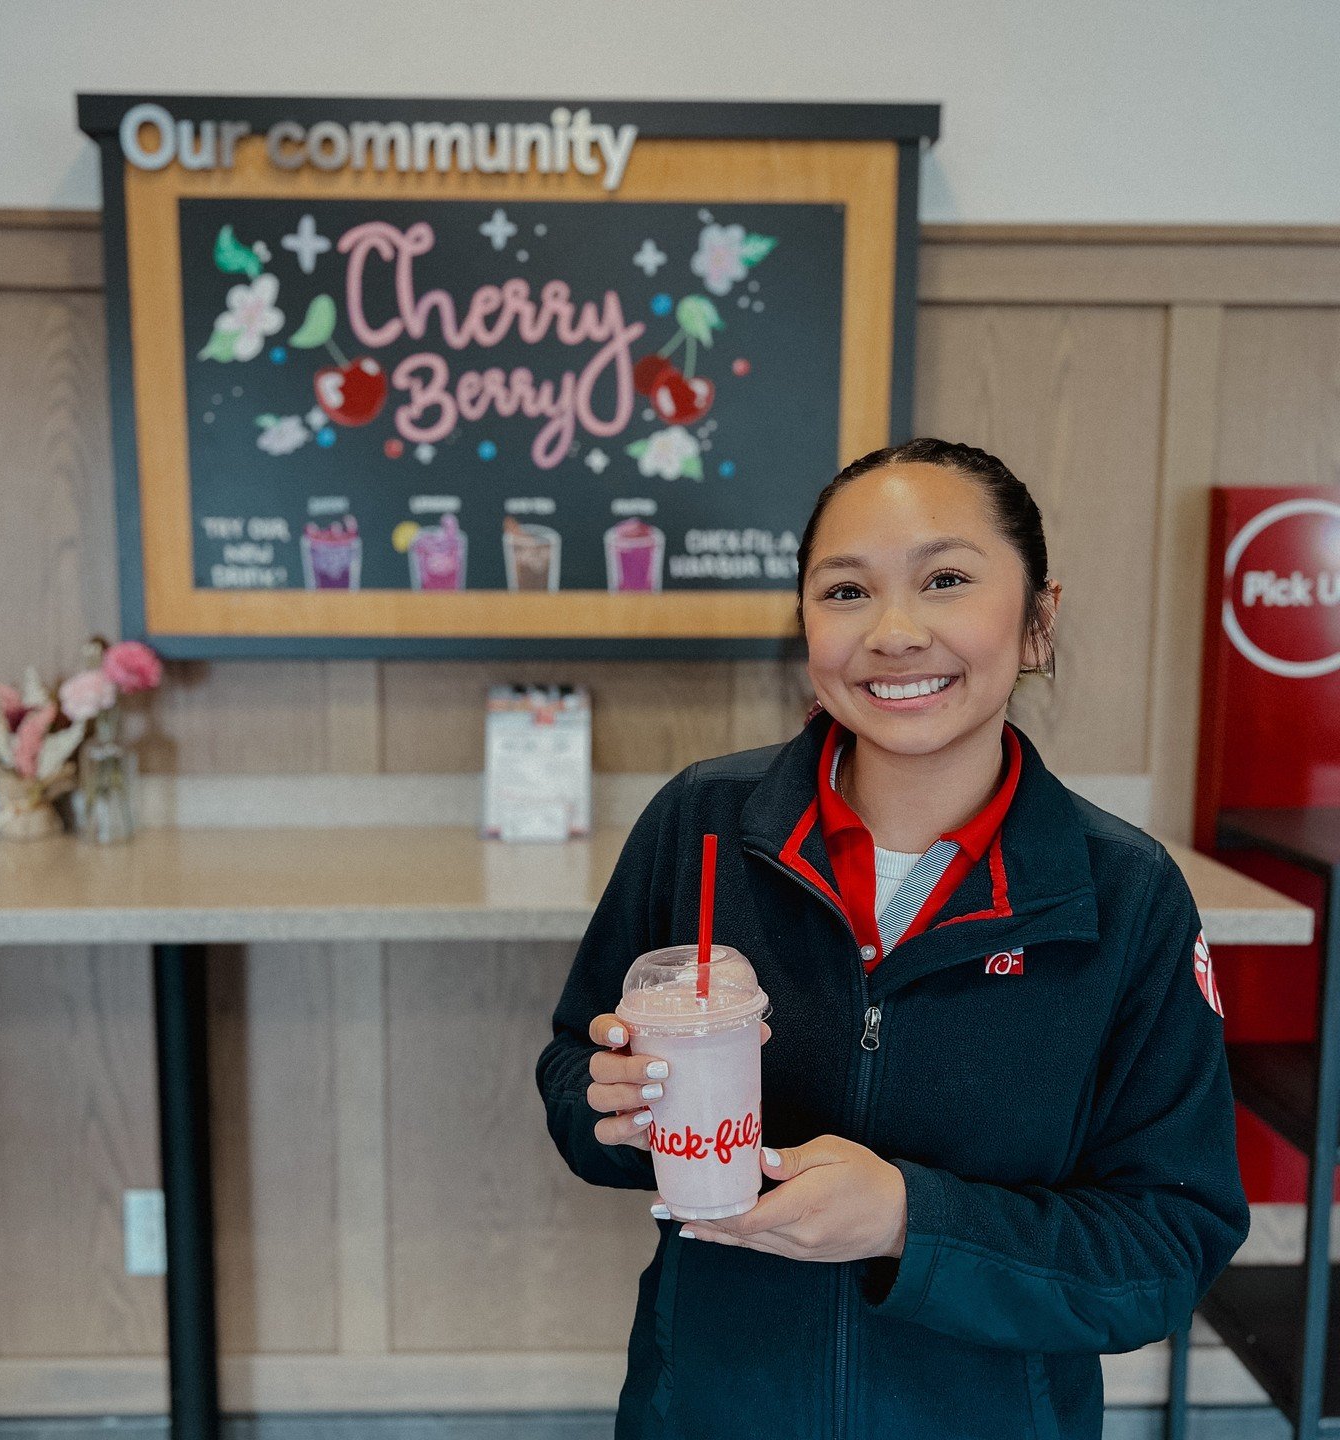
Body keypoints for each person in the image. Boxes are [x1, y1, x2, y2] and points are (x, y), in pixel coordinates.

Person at [535, 438, 1250, 1439]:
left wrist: (910, 1223)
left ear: (1039, 621)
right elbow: (575, 1069)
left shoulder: (1125, 896)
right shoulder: (701, 825)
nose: (896, 632)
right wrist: (606, 1105)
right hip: (708, 1407)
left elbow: (1164, 1254)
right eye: (845, 592)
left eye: (946, 579)